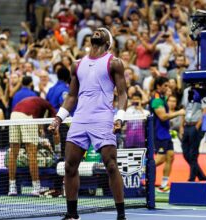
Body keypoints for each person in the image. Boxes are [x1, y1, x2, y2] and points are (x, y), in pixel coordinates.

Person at [49, 27, 127, 220]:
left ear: (108, 42)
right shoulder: (77, 65)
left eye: (102, 30)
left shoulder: (114, 63)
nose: (98, 31)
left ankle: (121, 215)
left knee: (110, 165)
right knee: (69, 166)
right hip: (80, 119)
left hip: (103, 118)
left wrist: (120, 117)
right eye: (96, 30)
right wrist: (59, 118)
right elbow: (72, 96)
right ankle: (72, 214)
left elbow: (123, 93)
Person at [8, 96, 56, 196]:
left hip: (14, 115)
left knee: (13, 153)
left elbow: (39, 122)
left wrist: (40, 130)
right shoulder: (49, 106)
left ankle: (12, 188)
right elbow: (54, 125)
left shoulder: (35, 103)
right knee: (32, 153)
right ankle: (36, 187)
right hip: (27, 117)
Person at [151, 77, 185, 193]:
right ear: (158, 87)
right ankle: (142, 173)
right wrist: (179, 113)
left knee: (170, 156)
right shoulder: (156, 100)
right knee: (160, 159)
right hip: (159, 134)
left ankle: (163, 185)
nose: (167, 87)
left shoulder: (162, 98)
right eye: (165, 86)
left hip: (166, 133)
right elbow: (163, 116)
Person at [179, 87, 206, 182]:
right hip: (187, 124)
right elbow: (184, 108)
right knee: (185, 152)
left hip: (196, 125)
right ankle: (200, 175)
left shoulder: (204, 91)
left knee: (193, 153)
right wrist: (181, 126)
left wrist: (197, 126)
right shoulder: (186, 91)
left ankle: (192, 178)